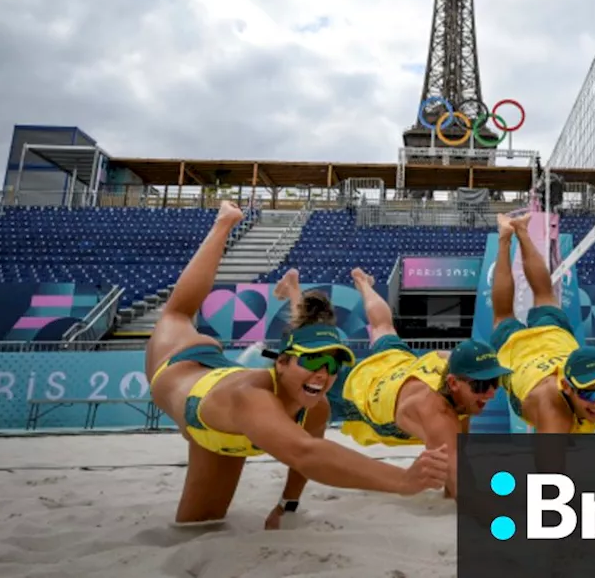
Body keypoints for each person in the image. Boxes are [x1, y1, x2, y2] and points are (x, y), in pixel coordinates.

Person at [142, 201, 448, 528]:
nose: (325, 373)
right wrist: (403, 480)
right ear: (282, 363)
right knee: (178, 312)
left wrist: (286, 506)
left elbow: (304, 460)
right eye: (315, 360)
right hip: (181, 362)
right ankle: (224, 223)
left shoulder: (316, 408)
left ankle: (292, 290)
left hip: (220, 428)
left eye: (334, 364)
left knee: (199, 523)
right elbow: (306, 454)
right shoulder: (251, 397)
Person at [274, 267, 510, 499]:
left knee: (384, 327)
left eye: (494, 382)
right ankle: (295, 292)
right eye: (480, 386)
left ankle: (363, 282)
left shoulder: (452, 369)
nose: (490, 393)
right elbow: (460, 486)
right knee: (312, 348)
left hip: (400, 366)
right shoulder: (437, 415)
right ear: (454, 383)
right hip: (363, 388)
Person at [490, 212, 595, 437]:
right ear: (567, 387)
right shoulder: (552, 411)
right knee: (504, 315)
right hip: (518, 351)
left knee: (545, 294)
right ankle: (505, 238)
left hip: (555, 341)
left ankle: (521, 231)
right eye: (588, 394)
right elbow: (549, 471)